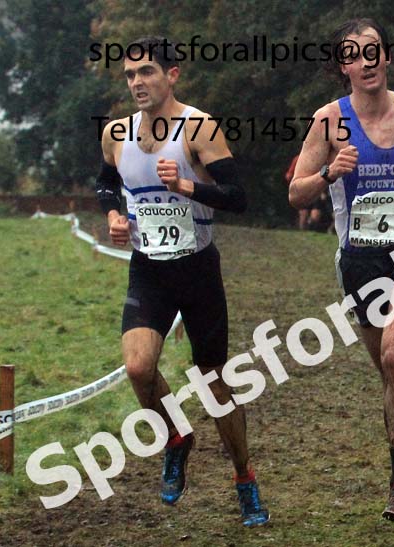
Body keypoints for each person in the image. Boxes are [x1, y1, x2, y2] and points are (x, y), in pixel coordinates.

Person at [94, 36, 269, 526]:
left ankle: (244, 476)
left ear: (172, 75)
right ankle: (176, 436)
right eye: (129, 75)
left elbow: (237, 196)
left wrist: (186, 184)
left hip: (197, 269)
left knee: (214, 384)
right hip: (149, 268)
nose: (136, 83)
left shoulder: (198, 127)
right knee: (137, 369)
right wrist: (113, 212)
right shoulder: (115, 132)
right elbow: (106, 181)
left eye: (146, 72)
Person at [289, 19, 394, 524]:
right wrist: (328, 172)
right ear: (343, 66)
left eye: (374, 51)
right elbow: (295, 191)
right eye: (354, 55)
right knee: (391, 372)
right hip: (360, 260)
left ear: (386, 57)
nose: (367, 61)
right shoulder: (329, 121)